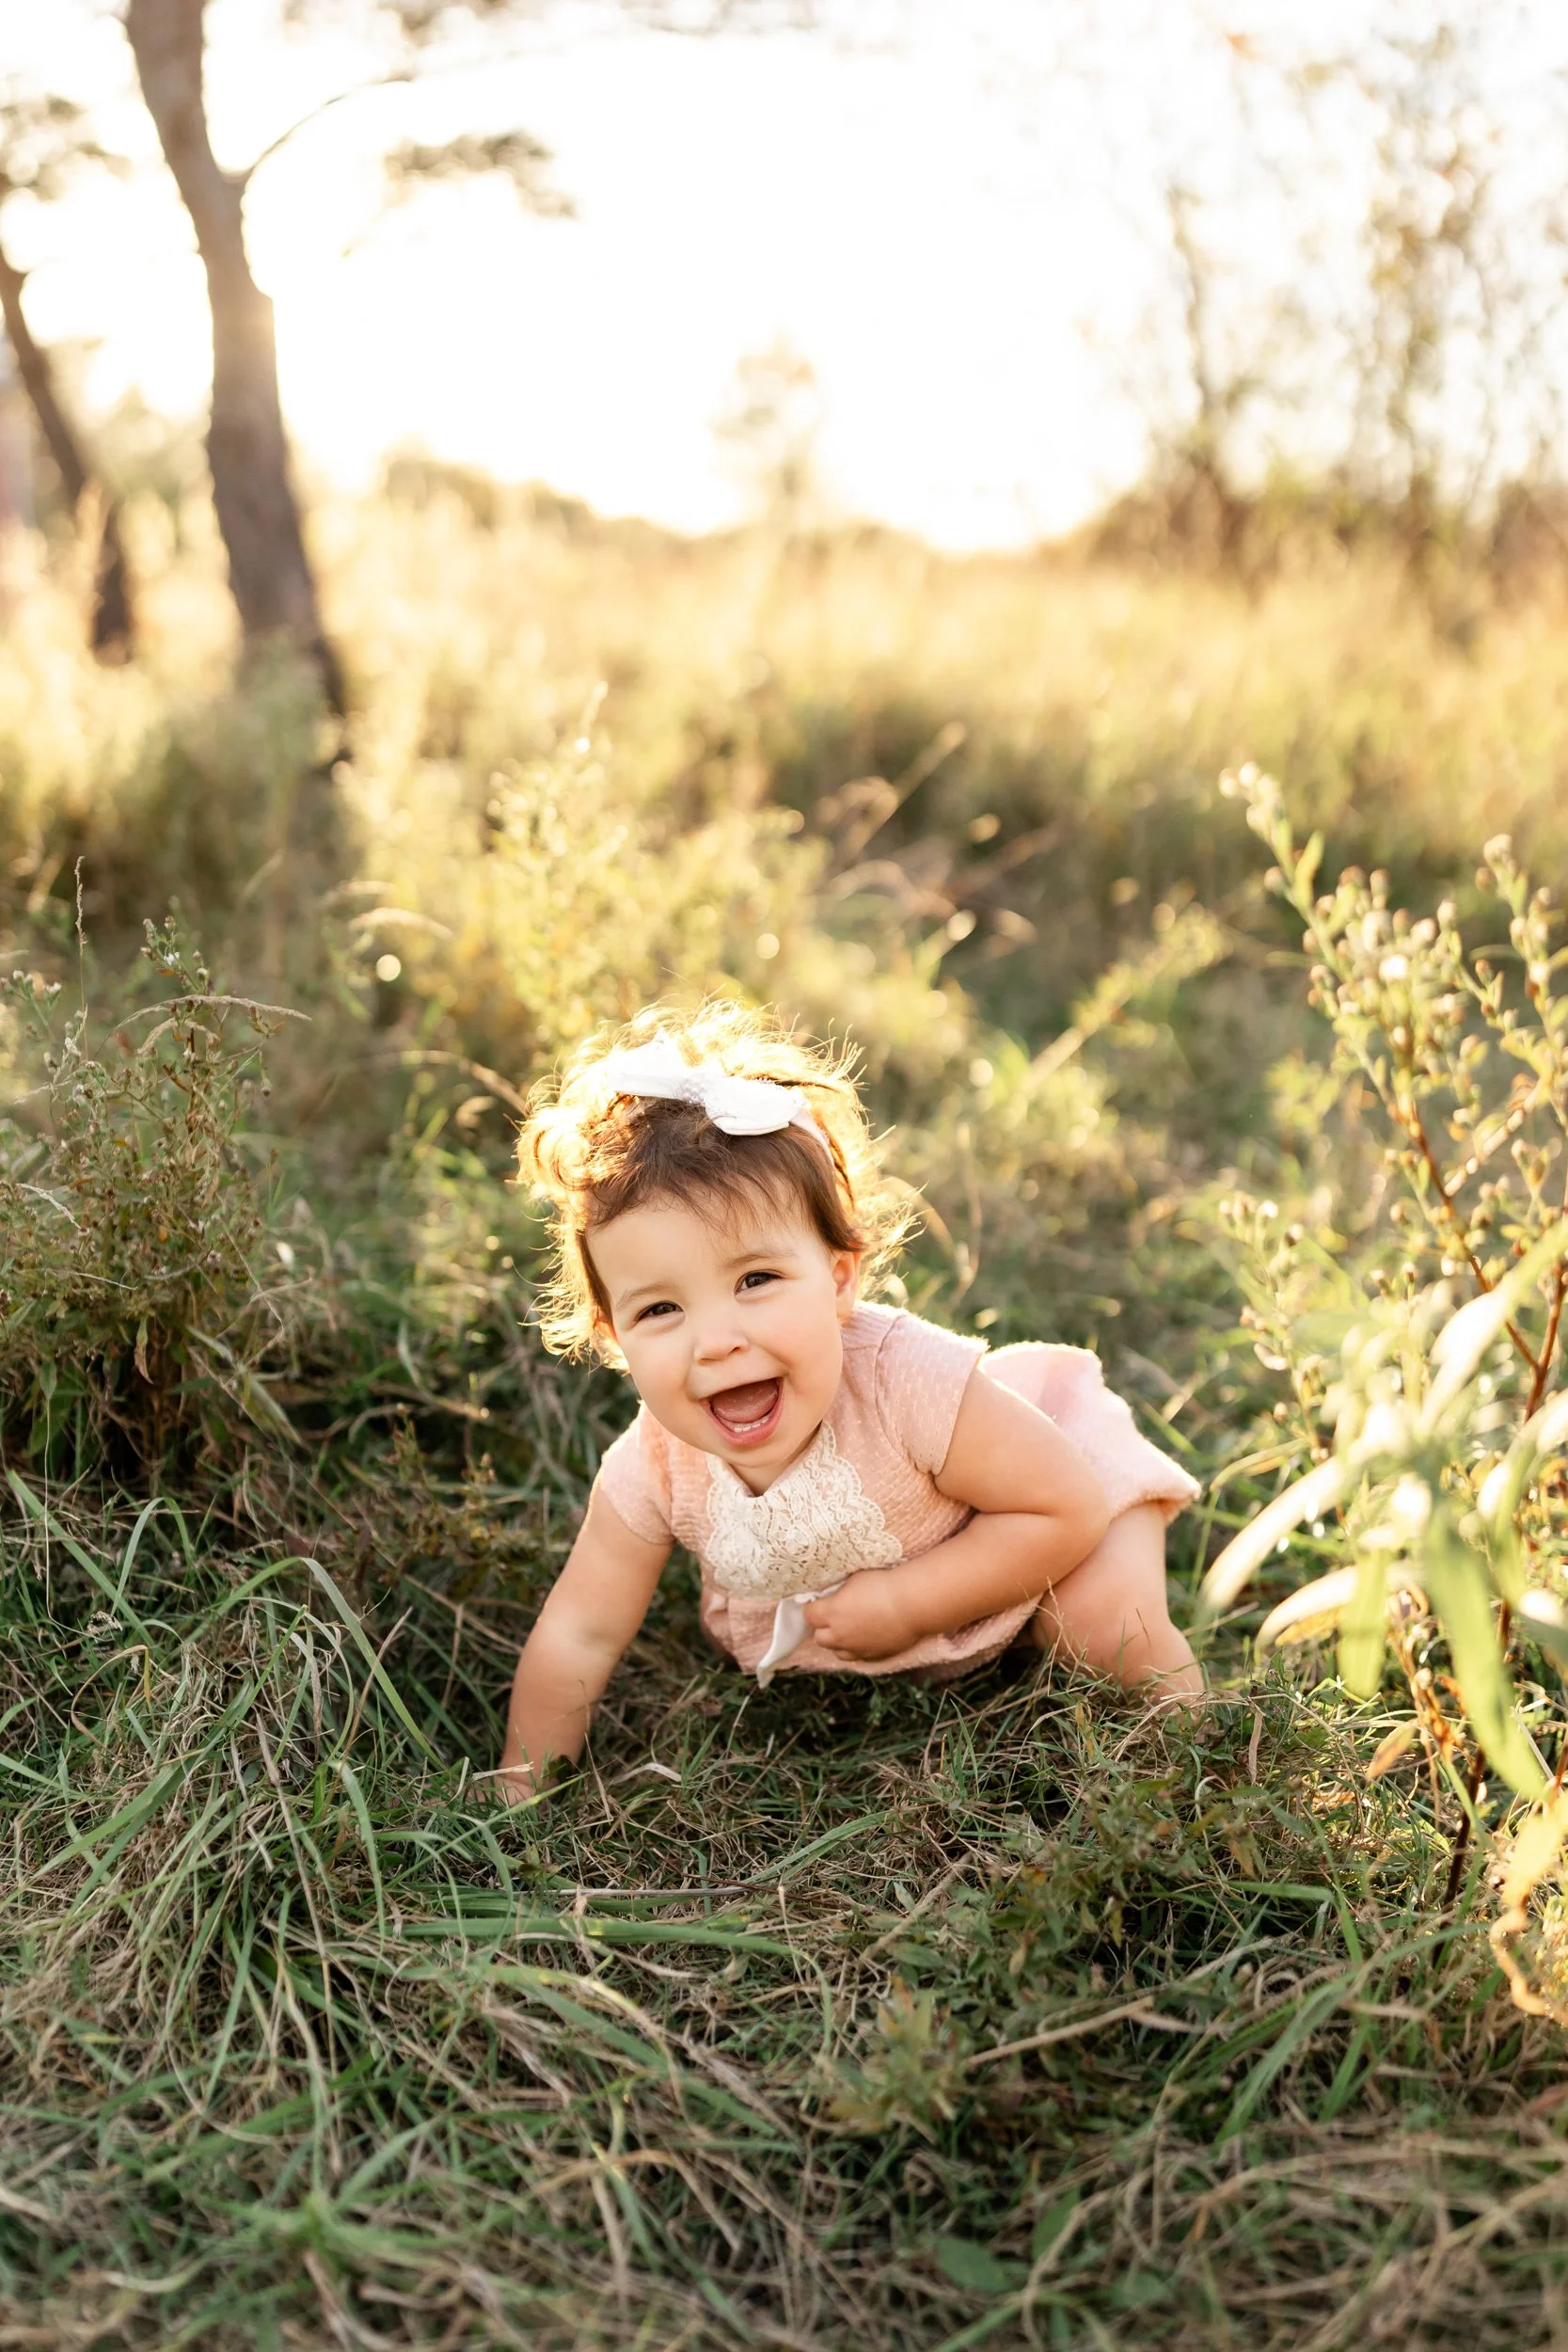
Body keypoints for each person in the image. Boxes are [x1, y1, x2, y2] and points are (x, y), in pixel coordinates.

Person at [497, 1004, 1201, 1799]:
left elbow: (1063, 1508)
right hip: (938, 1583)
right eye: (660, 1310)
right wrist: (522, 1785)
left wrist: (906, 1603)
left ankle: (1202, 1773)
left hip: (1048, 1495)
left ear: (838, 1279)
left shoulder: (907, 1382)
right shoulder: (652, 1467)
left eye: (755, 1281)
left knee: (1101, 1626)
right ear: (612, 1335)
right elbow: (579, 1631)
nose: (716, 1342)